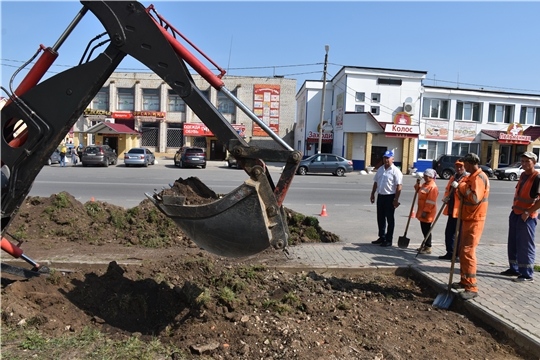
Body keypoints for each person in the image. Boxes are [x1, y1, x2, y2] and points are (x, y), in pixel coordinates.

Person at [451, 153, 490, 300]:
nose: (463, 166)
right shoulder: (472, 176)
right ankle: (464, 280)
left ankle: (472, 287)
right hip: (468, 217)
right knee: (462, 251)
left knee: (468, 252)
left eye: (465, 164)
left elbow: (474, 198)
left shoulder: (479, 178)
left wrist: (461, 187)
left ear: (470, 163)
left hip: (475, 219)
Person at [500, 152, 540, 282]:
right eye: (522, 161)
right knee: (513, 243)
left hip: (526, 216)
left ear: (534, 162)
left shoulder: (537, 177)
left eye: (527, 161)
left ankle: (527, 274)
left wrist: (528, 212)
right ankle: (514, 268)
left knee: (525, 246)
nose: (523, 164)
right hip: (516, 213)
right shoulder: (523, 175)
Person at [370, 150, 403, 247]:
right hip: (381, 196)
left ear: (392, 159)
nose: (386, 160)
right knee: (380, 218)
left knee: (389, 219)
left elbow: (399, 186)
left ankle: (389, 239)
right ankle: (382, 236)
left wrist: (396, 200)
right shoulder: (380, 169)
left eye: (388, 158)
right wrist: (372, 194)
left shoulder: (395, 171)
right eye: (384, 157)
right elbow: (376, 182)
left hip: (390, 196)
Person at [439, 159, 468, 260]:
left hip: (460, 211)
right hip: (451, 209)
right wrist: (446, 197)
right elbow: (448, 189)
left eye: (461, 166)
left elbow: (467, 193)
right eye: (457, 166)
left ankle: (457, 254)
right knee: (449, 233)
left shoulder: (467, 178)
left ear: (464, 167)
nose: (459, 168)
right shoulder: (453, 177)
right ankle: (450, 252)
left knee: (458, 234)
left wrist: (459, 187)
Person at [415, 168, 439, 254]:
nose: (424, 177)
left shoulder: (433, 187)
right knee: (424, 228)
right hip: (422, 210)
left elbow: (431, 201)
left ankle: (428, 247)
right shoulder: (425, 184)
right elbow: (418, 190)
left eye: (426, 176)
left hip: (428, 212)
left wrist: (426, 211)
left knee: (427, 229)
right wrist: (418, 183)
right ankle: (425, 245)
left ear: (430, 177)